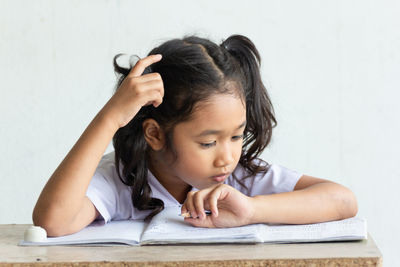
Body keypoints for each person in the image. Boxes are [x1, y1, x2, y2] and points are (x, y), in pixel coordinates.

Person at [32, 34, 358, 237]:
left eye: (235, 137)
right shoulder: (121, 180)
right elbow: (53, 222)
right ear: (155, 134)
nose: (227, 156)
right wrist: (110, 119)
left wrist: (252, 210)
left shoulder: (240, 179)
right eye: (208, 142)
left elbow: (343, 200)